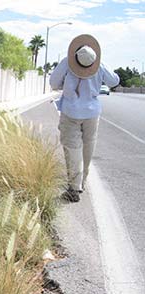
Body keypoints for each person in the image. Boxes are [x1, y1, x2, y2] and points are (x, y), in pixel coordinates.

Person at [50, 34, 119, 203]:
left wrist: (64, 84)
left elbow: (53, 83)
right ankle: (82, 182)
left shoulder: (66, 62)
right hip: (92, 113)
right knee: (88, 147)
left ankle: (74, 187)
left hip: (70, 112)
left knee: (72, 148)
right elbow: (114, 81)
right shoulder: (99, 64)